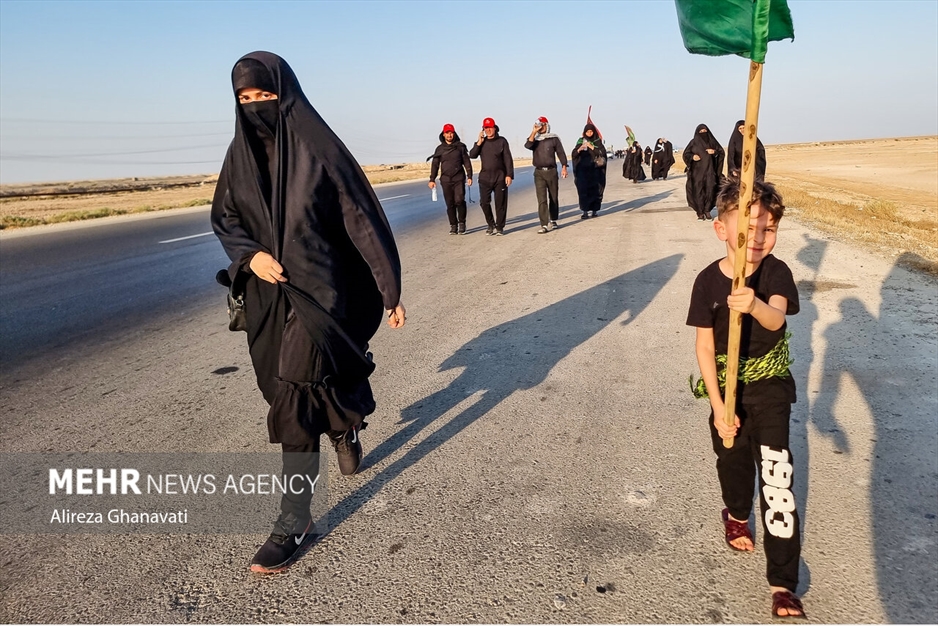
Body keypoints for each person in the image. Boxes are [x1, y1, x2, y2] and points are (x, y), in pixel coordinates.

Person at [211, 51, 406, 574]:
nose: (256, 108)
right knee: (285, 387)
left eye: (265, 97)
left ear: (286, 93)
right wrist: (250, 256)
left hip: (322, 292)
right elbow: (224, 218)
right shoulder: (238, 157)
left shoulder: (318, 146)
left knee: (294, 399)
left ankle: (293, 520)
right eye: (245, 100)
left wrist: (389, 289)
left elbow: (362, 219)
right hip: (267, 297)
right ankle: (344, 425)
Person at [686, 179, 805, 619]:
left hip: (771, 386)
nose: (758, 238)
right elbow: (703, 348)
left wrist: (752, 305)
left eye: (768, 229)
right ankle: (736, 512)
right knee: (732, 460)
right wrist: (719, 409)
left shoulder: (776, 273)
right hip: (726, 390)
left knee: (776, 478)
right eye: (748, 228)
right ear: (721, 229)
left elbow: (776, 320)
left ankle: (782, 582)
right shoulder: (705, 282)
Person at [469, 117, 513, 235]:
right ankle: (491, 224)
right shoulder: (481, 142)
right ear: (483, 129)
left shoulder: (502, 141)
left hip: (500, 177)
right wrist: (479, 142)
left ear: (495, 128)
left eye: (490, 127)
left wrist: (509, 175)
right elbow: (472, 155)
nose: (488, 130)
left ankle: (499, 227)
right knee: (484, 202)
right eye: (486, 128)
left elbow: (508, 159)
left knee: (500, 204)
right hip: (485, 178)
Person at [524, 116, 568, 233]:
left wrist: (564, 167)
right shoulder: (535, 139)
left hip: (551, 171)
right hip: (539, 172)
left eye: (543, 125)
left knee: (553, 197)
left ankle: (553, 219)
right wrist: (533, 132)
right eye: (539, 125)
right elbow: (527, 145)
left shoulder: (553, 138)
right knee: (541, 199)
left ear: (547, 125)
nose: (541, 127)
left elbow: (560, 153)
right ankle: (544, 224)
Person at [429, 123, 473, 235]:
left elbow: (466, 162)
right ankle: (453, 226)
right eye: (447, 133)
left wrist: (469, 176)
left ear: (454, 133)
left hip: (458, 178)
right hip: (445, 179)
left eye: (451, 133)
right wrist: (432, 179)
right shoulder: (440, 149)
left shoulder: (460, 147)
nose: (449, 135)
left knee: (459, 200)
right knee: (450, 203)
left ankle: (462, 223)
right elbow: (435, 164)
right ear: (443, 134)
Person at [683, 123, 725, 221]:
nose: (703, 133)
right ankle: (700, 212)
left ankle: (707, 210)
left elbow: (721, 152)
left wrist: (714, 152)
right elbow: (686, 154)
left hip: (710, 171)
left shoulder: (712, 142)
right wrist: (692, 157)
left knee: (710, 191)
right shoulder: (693, 143)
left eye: (705, 131)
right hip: (697, 173)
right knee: (698, 192)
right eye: (701, 132)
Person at [571, 123, 606, 219]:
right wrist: (579, 149)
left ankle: (594, 211)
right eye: (587, 131)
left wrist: (592, 147)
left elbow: (602, 153)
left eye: (591, 131)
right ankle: (585, 211)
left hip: (595, 171)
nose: (589, 133)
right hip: (583, 171)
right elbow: (573, 155)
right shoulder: (581, 141)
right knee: (583, 191)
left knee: (595, 191)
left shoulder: (597, 142)